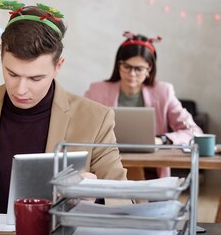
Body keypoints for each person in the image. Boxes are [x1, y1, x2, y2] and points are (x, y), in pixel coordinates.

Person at [0, 0, 127, 217]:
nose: (21, 90)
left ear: (58, 66)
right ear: (1, 53)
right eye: (12, 74)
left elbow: (124, 199)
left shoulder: (95, 119)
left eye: (36, 78)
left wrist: (96, 196)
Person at [84, 32, 203, 177]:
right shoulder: (97, 90)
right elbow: (80, 125)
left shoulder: (163, 92)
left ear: (149, 69)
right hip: (104, 166)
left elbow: (194, 132)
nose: (132, 74)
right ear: (118, 65)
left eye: (139, 69)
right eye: (126, 66)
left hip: (150, 169)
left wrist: (162, 139)